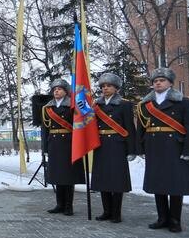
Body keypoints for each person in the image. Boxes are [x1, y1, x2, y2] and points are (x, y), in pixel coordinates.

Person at [137, 67, 189, 233]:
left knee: (176, 185)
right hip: (153, 147)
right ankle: (162, 218)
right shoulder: (145, 105)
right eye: (155, 81)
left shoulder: (184, 102)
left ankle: (175, 220)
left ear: (171, 83)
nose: (158, 83)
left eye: (162, 80)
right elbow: (141, 129)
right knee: (158, 183)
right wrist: (141, 147)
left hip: (176, 148)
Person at [91, 72, 136, 223]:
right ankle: (106, 211)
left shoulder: (124, 104)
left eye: (109, 86)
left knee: (116, 180)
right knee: (103, 179)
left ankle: (116, 213)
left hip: (117, 144)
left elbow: (129, 127)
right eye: (103, 86)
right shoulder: (96, 105)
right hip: (101, 144)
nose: (105, 88)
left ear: (116, 88)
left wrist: (131, 150)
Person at [41, 78, 85, 216]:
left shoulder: (73, 106)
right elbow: (45, 130)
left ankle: (68, 206)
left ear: (66, 92)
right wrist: (45, 148)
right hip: (54, 144)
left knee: (68, 176)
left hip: (69, 143)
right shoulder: (47, 108)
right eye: (54, 89)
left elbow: (80, 125)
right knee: (57, 176)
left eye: (59, 89)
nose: (56, 91)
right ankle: (59, 204)